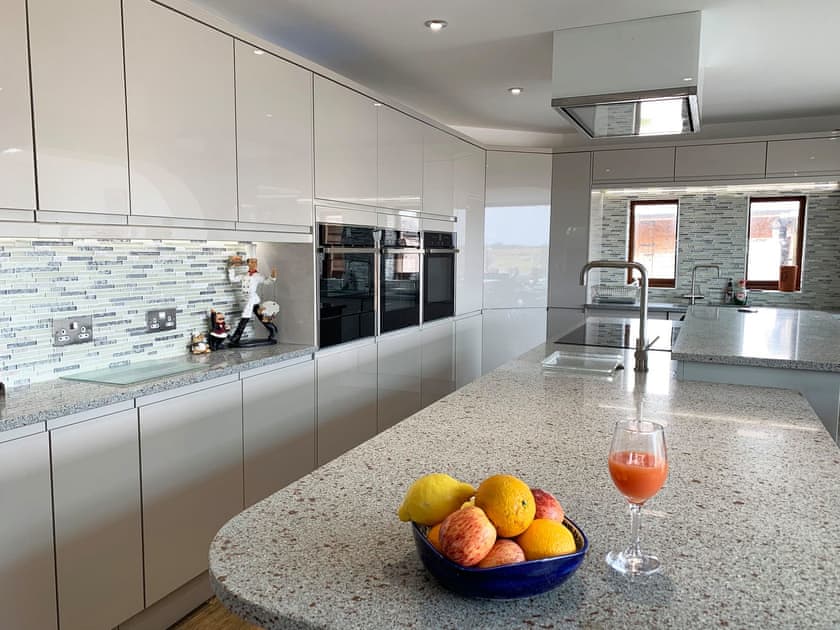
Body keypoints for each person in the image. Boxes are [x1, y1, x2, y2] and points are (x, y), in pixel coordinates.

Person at [227, 256, 278, 346]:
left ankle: (236, 337)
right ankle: (273, 329)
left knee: (245, 315)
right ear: (248, 264)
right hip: (248, 299)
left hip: (252, 298)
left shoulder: (258, 276)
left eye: (255, 262)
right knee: (261, 316)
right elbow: (233, 279)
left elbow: (267, 282)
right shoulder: (244, 275)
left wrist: (272, 276)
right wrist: (231, 267)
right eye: (251, 262)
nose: (253, 264)